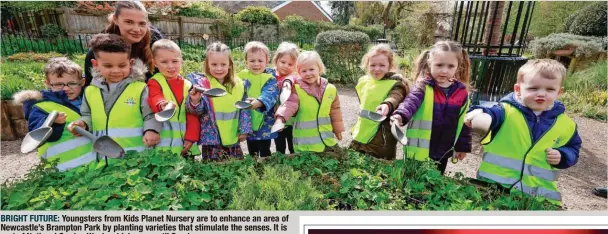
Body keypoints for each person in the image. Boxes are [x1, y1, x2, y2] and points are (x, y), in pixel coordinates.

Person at [465, 59, 582, 206]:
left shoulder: (567, 125)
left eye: (550, 90)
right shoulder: (504, 111)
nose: (541, 94)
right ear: (518, 90)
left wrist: (563, 155)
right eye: (533, 88)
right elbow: (490, 113)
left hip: (539, 197)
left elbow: (573, 148)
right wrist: (478, 112)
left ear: (559, 92)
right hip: (494, 189)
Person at [69, 33, 161, 158]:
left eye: (122, 65)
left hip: (136, 156)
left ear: (130, 62)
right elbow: (87, 115)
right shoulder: (90, 91)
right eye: (108, 66)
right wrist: (83, 124)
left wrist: (151, 130)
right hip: (103, 157)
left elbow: (150, 115)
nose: (116, 70)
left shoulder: (140, 88)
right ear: (95, 64)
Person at [391, 40, 472, 175]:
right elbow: (411, 102)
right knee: (412, 181)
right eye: (439, 65)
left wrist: (462, 147)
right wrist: (400, 115)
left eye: (450, 66)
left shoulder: (461, 93)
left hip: (443, 152)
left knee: (434, 181)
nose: (444, 71)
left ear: (458, 67)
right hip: (418, 150)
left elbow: (464, 122)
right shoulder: (423, 87)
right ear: (430, 63)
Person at [14, 58, 94, 171]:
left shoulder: (88, 100)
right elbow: (38, 135)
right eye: (58, 84)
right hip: (60, 168)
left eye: (72, 83)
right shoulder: (41, 106)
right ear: (47, 83)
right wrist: (54, 124)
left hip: (91, 162)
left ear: (82, 82)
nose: (66, 88)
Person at [186, 42, 252, 160]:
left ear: (230, 64)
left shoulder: (240, 85)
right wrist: (195, 102)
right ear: (207, 65)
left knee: (235, 168)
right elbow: (197, 111)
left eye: (223, 64)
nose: (219, 68)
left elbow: (244, 110)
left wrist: (245, 129)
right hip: (212, 139)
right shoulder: (202, 84)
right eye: (214, 64)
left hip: (233, 136)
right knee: (214, 171)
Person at [83, 1, 164, 88]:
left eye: (142, 23)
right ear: (116, 20)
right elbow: (90, 86)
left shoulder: (156, 46)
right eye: (129, 22)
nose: (136, 29)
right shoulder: (100, 50)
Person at [350, 44, 410, 160]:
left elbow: (395, 96)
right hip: (361, 132)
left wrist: (387, 104)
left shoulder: (395, 83)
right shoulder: (364, 81)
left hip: (382, 137)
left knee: (379, 169)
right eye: (373, 65)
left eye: (382, 65)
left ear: (390, 65)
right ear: (367, 65)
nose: (377, 69)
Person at [275, 51, 344, 153]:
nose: (308, 74)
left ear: (319, 68)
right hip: (305, 143)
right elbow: (289, 104)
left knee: (337, 160)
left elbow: (335, 111)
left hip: (327, 140)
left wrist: (338, 130)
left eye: (311, 69)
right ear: (298, 72)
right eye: (304, 71)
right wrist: (280, 118)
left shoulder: (331, 89)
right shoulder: (297, 89)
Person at [147, 39, 200, 157]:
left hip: (186, 142)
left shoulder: (188, 85)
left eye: (175, 61)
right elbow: (154, 97)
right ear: (154, 63)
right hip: (164, 144)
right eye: (164, 62)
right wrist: (161, 104)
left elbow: (192, 114)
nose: (170, 66)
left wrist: (191, 137)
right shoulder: (155, 82)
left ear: (181, 61)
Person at [237, 41, 279, 158]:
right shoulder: (242, 76)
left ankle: (266, 167)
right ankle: (253, 166)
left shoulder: (270, 78)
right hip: (248, 119)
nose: (256, 64)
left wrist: (259, 102)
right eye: (252, 61)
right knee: (251, 146)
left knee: (264, 147)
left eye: (260, 61)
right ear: (246, 62)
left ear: (267, 61)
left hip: (265, 119)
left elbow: (270, 93)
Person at [268, 42, 299, 154]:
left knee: (293, 146)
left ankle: (294, 166)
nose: (286, 66)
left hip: (292, 120)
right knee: (279, 146)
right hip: (276, 118)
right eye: (283, 62)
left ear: (296, 65)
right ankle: (281, 165)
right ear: (276, 60)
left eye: (290, 64)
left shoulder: (295, 78)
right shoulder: (270, 76)